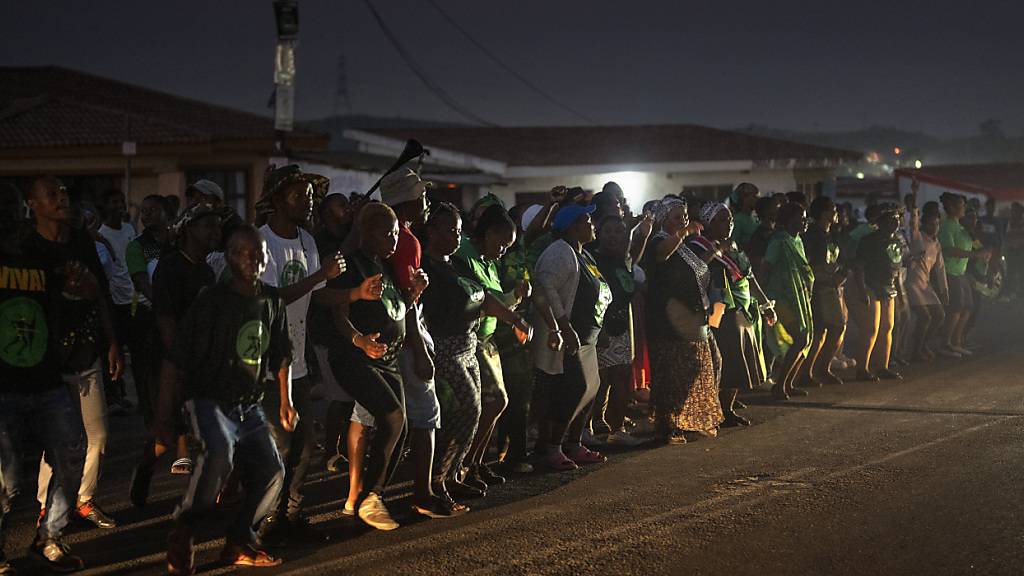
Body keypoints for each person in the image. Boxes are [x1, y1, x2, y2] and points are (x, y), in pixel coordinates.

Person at [163, 225, 294, 573]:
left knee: (271, 470)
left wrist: (285, 400)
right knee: (219, 454)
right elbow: (176, 359)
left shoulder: (272, 300)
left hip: (247, 403)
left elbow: (282, 354)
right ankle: (185, 533)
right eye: (242, 252)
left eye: (258, 253)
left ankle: (239, 540)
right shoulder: (212, 301)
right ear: (230, 257)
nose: (251, 259)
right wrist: (164, 418)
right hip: (208, 398)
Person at [24, 177, 124, 531]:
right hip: (48, 357)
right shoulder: (27, 246)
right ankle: (45, 506)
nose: (61, 198)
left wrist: (112, 342)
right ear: (33, 204)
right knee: (58, 438)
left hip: (85, 349)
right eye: (52, 193)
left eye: (64, 192)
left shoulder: (81, 242)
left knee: (97, 433)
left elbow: (100, 294)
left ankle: (83, 498)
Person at [253, 165, 344, 546]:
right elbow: (272, 299)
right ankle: (263, 520)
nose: (308, 201)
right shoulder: (260, 242)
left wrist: (351, 292)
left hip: (299, 358)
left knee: (306, 443)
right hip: (268, 360)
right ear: (276, 200)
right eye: (299, 195)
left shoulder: (307, 239)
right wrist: (319, 274)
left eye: (310, 195)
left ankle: (290, 513)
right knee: (279, 445)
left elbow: (316, 295)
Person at [0, 194, 90, 573]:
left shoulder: (43, 258)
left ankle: (49, 537)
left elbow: (79, 297)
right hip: (3, 386)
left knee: (72, 454)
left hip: (47, 378)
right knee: (5, 478)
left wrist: (77, 286)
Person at [421, 203, 531, 510]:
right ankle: (437, 481)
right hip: (445, 346)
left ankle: (454, 475)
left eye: (458, 230)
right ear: (431, 231)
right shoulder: (427, 267)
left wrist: (515, 319)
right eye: (449, 230)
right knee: (466, 409)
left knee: (475, 410)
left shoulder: (455, 265)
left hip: (469, 343)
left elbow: (484, 299)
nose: (456, 236)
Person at [327, 202, 426, 531]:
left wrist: (414, 293)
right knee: (391, 416)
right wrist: (359, 340)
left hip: (387, 357)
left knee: (401, 426)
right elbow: (336, 308)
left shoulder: (381, 265)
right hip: (356, 357)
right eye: (387, 233)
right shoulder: (351, 265)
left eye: (397, 233)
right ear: (366, 232)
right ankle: (370, 496)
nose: (394, 240)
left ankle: (369, 498)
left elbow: (394, 310)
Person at [128, 203, 224, 507]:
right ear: (188, 230)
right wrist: (181, 362)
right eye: (207, 226)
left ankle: (213, 492)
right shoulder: (170, 267)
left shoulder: (207, 271)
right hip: (167, 360)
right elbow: (165, 320)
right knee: (166, 431)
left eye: (217, 226)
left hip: (199, 360)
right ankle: (144, 468)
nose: (214, 232)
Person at [378, 168, 447, 517]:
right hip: (405, 337)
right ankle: (423, 492)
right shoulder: (405, 240)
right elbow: (407, 299)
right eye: (421, 195)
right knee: (425, 415)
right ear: (405, 202)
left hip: (387, 335)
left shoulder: (388, 236)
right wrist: (420, 349)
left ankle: (366, 497)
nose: (426, 201)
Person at [452, 204, 529, 489]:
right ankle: (464, 464)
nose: (504, 251)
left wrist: (515, 297)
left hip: (488, 338)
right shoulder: (464, 256)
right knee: (493, 402)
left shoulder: (489, 261)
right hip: (470, 338)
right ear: (487, 233)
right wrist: (514, 311)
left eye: (509, 246)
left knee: (496, 403)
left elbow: (497, 300)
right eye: (502, 243)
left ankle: (475, 462)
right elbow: (480, 300)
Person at [531, 203, 612, 469]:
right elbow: (547, 289)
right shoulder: (559, 253)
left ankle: (573, 443)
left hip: (587, 335)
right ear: (572, 227)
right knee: (571, 389)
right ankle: (551, 448)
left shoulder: (583, 254)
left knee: (590, 388)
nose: (593, 225)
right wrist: (564, 327)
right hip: (567, 336)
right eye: (587, 221)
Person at [642, 197, 723, 443]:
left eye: (685, 216)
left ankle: (681, 420)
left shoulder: (683, 245)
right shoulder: (659, 241)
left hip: (692, 318)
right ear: (664, 220)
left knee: (699, 367)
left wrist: (713, 252)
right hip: (669, 321)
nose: (684, 220)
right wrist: (683, 232)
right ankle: (667, 427)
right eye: (678, 217)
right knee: (673, 374)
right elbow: (662, 256)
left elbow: (694, 271)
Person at [690, 202, 774, 426]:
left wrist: (765, 304)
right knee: (722, 360)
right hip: (719, 309)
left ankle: (727, 408)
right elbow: (696, 269)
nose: (729, 224)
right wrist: (717, 250)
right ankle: (714, 409)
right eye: (722, 219)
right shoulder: (698, 246)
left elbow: (749, 276)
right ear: (709, 222)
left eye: (730, 219)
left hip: (740, 308)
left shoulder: (733, 245)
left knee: (739, 361)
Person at [589, 212, 653, 443]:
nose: (613, 236)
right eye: (608, 232)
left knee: (622, 376)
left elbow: (632, 259)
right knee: (599, 380)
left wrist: (643, 235)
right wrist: (602, 330)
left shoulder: (621, 258)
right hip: (600, 327)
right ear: (598, 234)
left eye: (619, 231)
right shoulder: (594, 260)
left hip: (622, 326)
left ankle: (617, 430)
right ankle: (586, 429)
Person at [760, 202, 814, 399]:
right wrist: (763, 300)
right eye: (801, 218)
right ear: (789, 220)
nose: (805, 221)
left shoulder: (797, 240)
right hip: (781, 297)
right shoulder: (779, 241)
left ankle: (788, 384)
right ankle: (780, 385)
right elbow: (765, 268)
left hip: (798, 296)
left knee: (806, 338)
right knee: (801, 338)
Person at [798, 196, 847, 387]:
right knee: (827, 328)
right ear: (824, 213)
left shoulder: (829, 233)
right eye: (833, 210)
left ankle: (813, 369)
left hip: (830, 286)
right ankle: (815, 369)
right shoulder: (814, 235)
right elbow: (811, 264)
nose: (836, 214)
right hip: (820, 287)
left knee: (825, 330)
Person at [852, 205, 904, 381]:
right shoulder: (869, 241)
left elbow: (896, 269)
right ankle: (862, 369)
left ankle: (883, 366)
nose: (895, 222)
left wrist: (900, 293)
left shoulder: (896, 241)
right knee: (871, 329)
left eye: (897, 219)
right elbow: (859, 267)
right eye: (891, 219)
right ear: (880, 223)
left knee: (887, 328)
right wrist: (861, 290)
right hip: (871, 286)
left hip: (888, 287)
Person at [97, 190, 137, 409]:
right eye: (114, 201)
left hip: (132, 298)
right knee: (115, 350)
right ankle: (114, 396)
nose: (120, 205)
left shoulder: (129, 229)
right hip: (114, 299)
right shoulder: (101, 234)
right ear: (105, 206)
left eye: (121, 200)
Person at [938, 193, 989, 356]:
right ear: (952, 207)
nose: (964, 208)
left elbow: (975, 245)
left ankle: (956, 342)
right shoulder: (947, 226)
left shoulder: (960, 226)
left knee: (968, 307)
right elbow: (949, 250)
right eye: (961, 205)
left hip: (961, 272)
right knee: (956, 308)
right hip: (950, 271)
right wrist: (975, 255)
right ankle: (945, 343)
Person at [906, 200, 949, 361]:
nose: (934, 227)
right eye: (931, 224)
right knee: (925, 317)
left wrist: (945, 290)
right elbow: (913, 223)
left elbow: (940, 269)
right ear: (924, 224)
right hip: (912, 283)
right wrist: (915, 198)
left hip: (925, 284)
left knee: (939, 316)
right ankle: (916, 351)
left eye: (937, 224)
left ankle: (922, 344)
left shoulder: (936, 243)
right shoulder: (918, 237)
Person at [729, 182, 761, 247]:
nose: (758, 199)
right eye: (754, 196)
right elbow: (734, 244)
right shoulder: (738, 220)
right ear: (743, 198)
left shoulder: (757, 217)